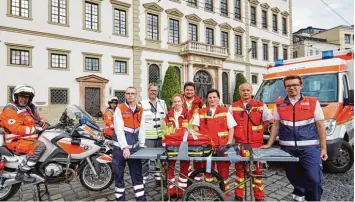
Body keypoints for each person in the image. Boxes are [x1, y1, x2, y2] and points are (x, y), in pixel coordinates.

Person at [262, 75, 327, 202]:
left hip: (309, 148)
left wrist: (324, 148)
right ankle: (300, 196)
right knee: (294, 178)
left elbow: (320, 125)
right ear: (285, 88)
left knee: (314, 179)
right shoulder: (279, 104)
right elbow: (276, 124)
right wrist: (269, 144)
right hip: (287, 149)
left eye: (295, 85)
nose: (292, 88)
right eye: (289, 86)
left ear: (301, 86)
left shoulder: (313, 102)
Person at [230, 83, 273, 201]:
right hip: (240, 144)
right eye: (243, 90)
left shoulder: (260, 105)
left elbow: (268, 120)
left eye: (248, 90)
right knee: (239, 172)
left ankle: (259, 197)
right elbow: (230, 125)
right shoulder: (233, 107)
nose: (245, 92)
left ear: (251, 91)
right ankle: (239, 197)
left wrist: (259, 131)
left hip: (256, 144)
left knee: (257, 172)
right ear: (239, 92)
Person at [192, 89, 236, 194]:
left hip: (222, 147)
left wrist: (229, 142)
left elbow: (231, 128)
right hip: (207, 147)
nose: (212, 99)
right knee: (208, 172)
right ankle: (210, 192)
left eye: (214, 97)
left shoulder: (225, 111)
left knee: (223, 172)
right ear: (207, 99)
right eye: (210, 97)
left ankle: (224, 193)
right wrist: (200, 134)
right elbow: (195, 127)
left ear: (218, 98)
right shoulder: (201, 111)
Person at [0, 85, 47, 183]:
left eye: (26, 97)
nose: (24, 99)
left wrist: (43, 122)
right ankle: (21, 172)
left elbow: (38, 118)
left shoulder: (28, 108)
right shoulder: (10, 109)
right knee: (40, 147)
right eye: (21, 96)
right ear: (16, 97)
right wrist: (35, 129)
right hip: (16, 142)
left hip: (28, 140)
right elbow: (16, 129)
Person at [112, 86, 146, 201]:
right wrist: (124, 147)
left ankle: (141, 199)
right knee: (119, 176)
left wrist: (142, 145)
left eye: (132, 93)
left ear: (136, 95)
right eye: (128, 93)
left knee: (137, 176)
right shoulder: (119, 108)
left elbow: (142, 128)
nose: (130, 95)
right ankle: (120, 200)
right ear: (125, 95)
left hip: (135, 149)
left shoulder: (140, 109)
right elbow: (119, 130)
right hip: (119, 150)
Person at [163, 94, 192, 199]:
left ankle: (181, 192)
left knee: (184, 168)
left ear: (182, 102)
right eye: (175, 101)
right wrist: (164, 143)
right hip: (171, 146)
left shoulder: (188, 115)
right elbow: (164, 131)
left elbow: (191, 130)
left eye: (178, 101)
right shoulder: (168, 115)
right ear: (172, 103)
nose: (177, 103)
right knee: (170, 169)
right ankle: (171, 192)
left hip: (184, 146)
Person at [140, 83, 167, 185]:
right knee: (145, 159)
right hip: (147, 137)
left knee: (160, 159)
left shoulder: (163, 103)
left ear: (157, 91)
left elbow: (167, 118)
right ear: (148, 90)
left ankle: (158, 178)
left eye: (155, 90)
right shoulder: (142, 103)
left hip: (161, 137)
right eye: (152, 90)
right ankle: (143, 179)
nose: (153, 92)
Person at [181, 82, 205, 177]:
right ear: (184, 90)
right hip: (183, 135)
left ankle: (198, 179)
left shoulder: (200, 103)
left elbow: (203, 118)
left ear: (194, 91)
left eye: (191, 90)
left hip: (196, 134)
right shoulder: (179, 101)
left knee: (198, 158)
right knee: (184, 159)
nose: (189, 92)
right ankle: (185, 180)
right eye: (187, 90)